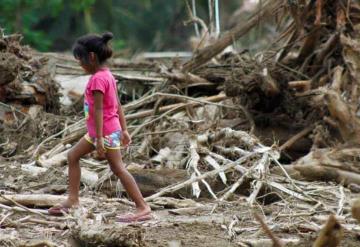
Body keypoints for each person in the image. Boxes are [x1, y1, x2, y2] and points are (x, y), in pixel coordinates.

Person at [48, 32, 151, 222]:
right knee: (73, 156)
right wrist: (125, 129)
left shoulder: (97, 79)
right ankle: (73, 199)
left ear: (92, 57)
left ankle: (142, 207)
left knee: (118, 169)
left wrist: (101, 141)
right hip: (100, 132)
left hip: (105, 133)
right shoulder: (108, 75)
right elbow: (117, 104)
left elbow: (99, 111)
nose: (80, 64)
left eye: (81, 60)